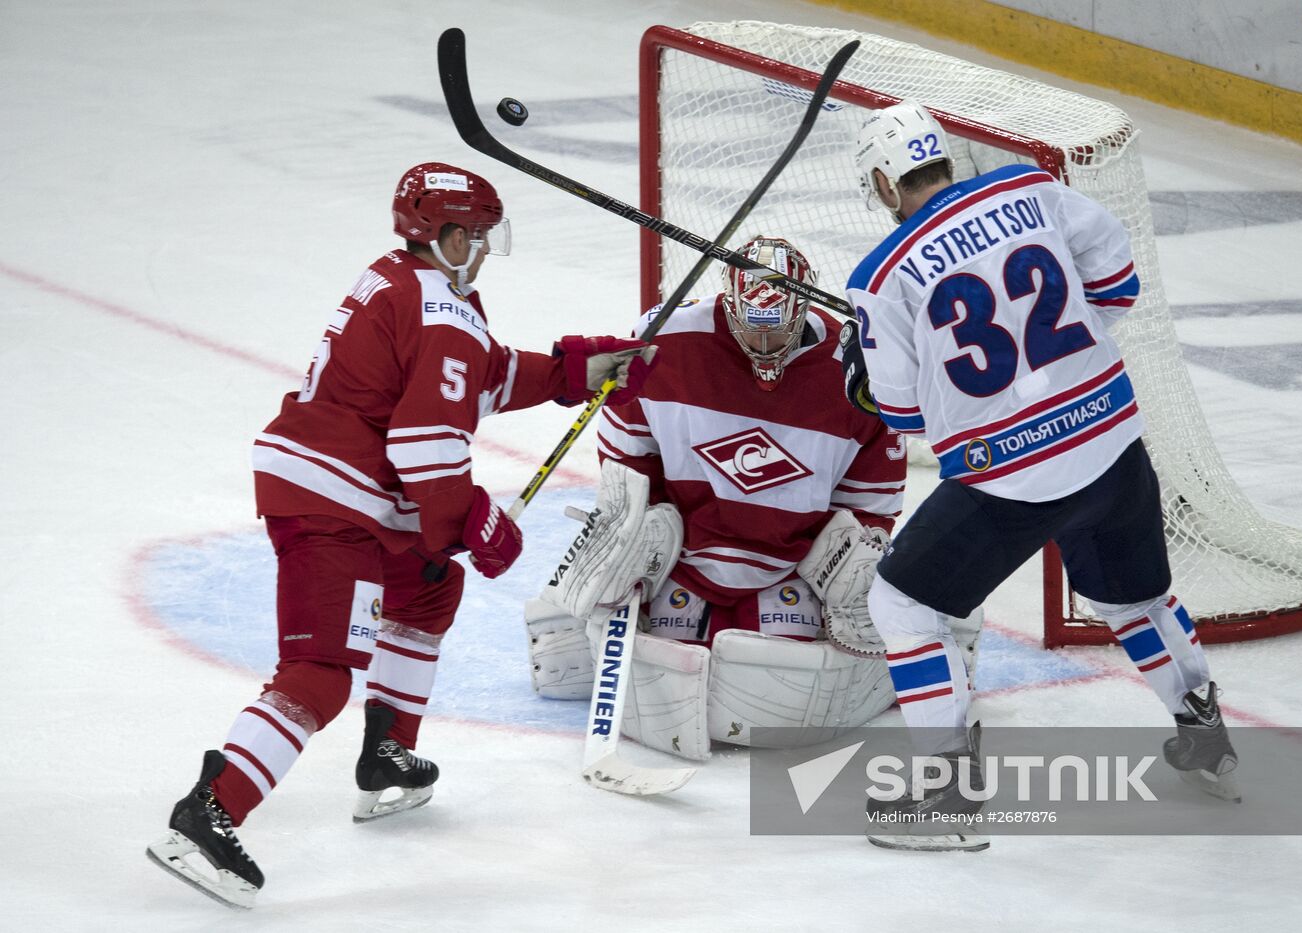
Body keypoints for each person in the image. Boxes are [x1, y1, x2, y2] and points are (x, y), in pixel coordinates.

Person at [146, 162, 657, 908]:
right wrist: (470, 522)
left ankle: (387, 755)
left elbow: (482, 373)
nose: (485, 250)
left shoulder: (404, 284)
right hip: (336, 504)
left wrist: (577, 370)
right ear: (447, 237)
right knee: (321, 670)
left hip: (336, 487)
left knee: (427, 584)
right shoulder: (441, 309)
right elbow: (425, 442)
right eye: (478, 237)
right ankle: (208, 812)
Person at [841, 102, 1239, 851]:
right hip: (1112, 442)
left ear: (885, 183)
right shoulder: (1028, 188)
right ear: (944, 160)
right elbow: (1118, 285)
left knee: (901, 606)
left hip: (1011, 480)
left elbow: (901, 414)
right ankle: (1207, 740)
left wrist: (863, 373)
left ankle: (945, 800)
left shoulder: (882, 275)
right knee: (1137, 599)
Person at [525, 236, 978, 762]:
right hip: (687, 557)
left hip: (794, 566)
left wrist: (851, 554)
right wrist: (638, 530)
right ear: (728, 305)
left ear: (803, 308)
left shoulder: (857, 366)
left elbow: (871, 499)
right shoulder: (664, 340)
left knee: (777, 678)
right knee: (612, 625)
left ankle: (934, 639)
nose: (765, 347)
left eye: (777, 330)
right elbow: (628, 458)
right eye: (752, 331)